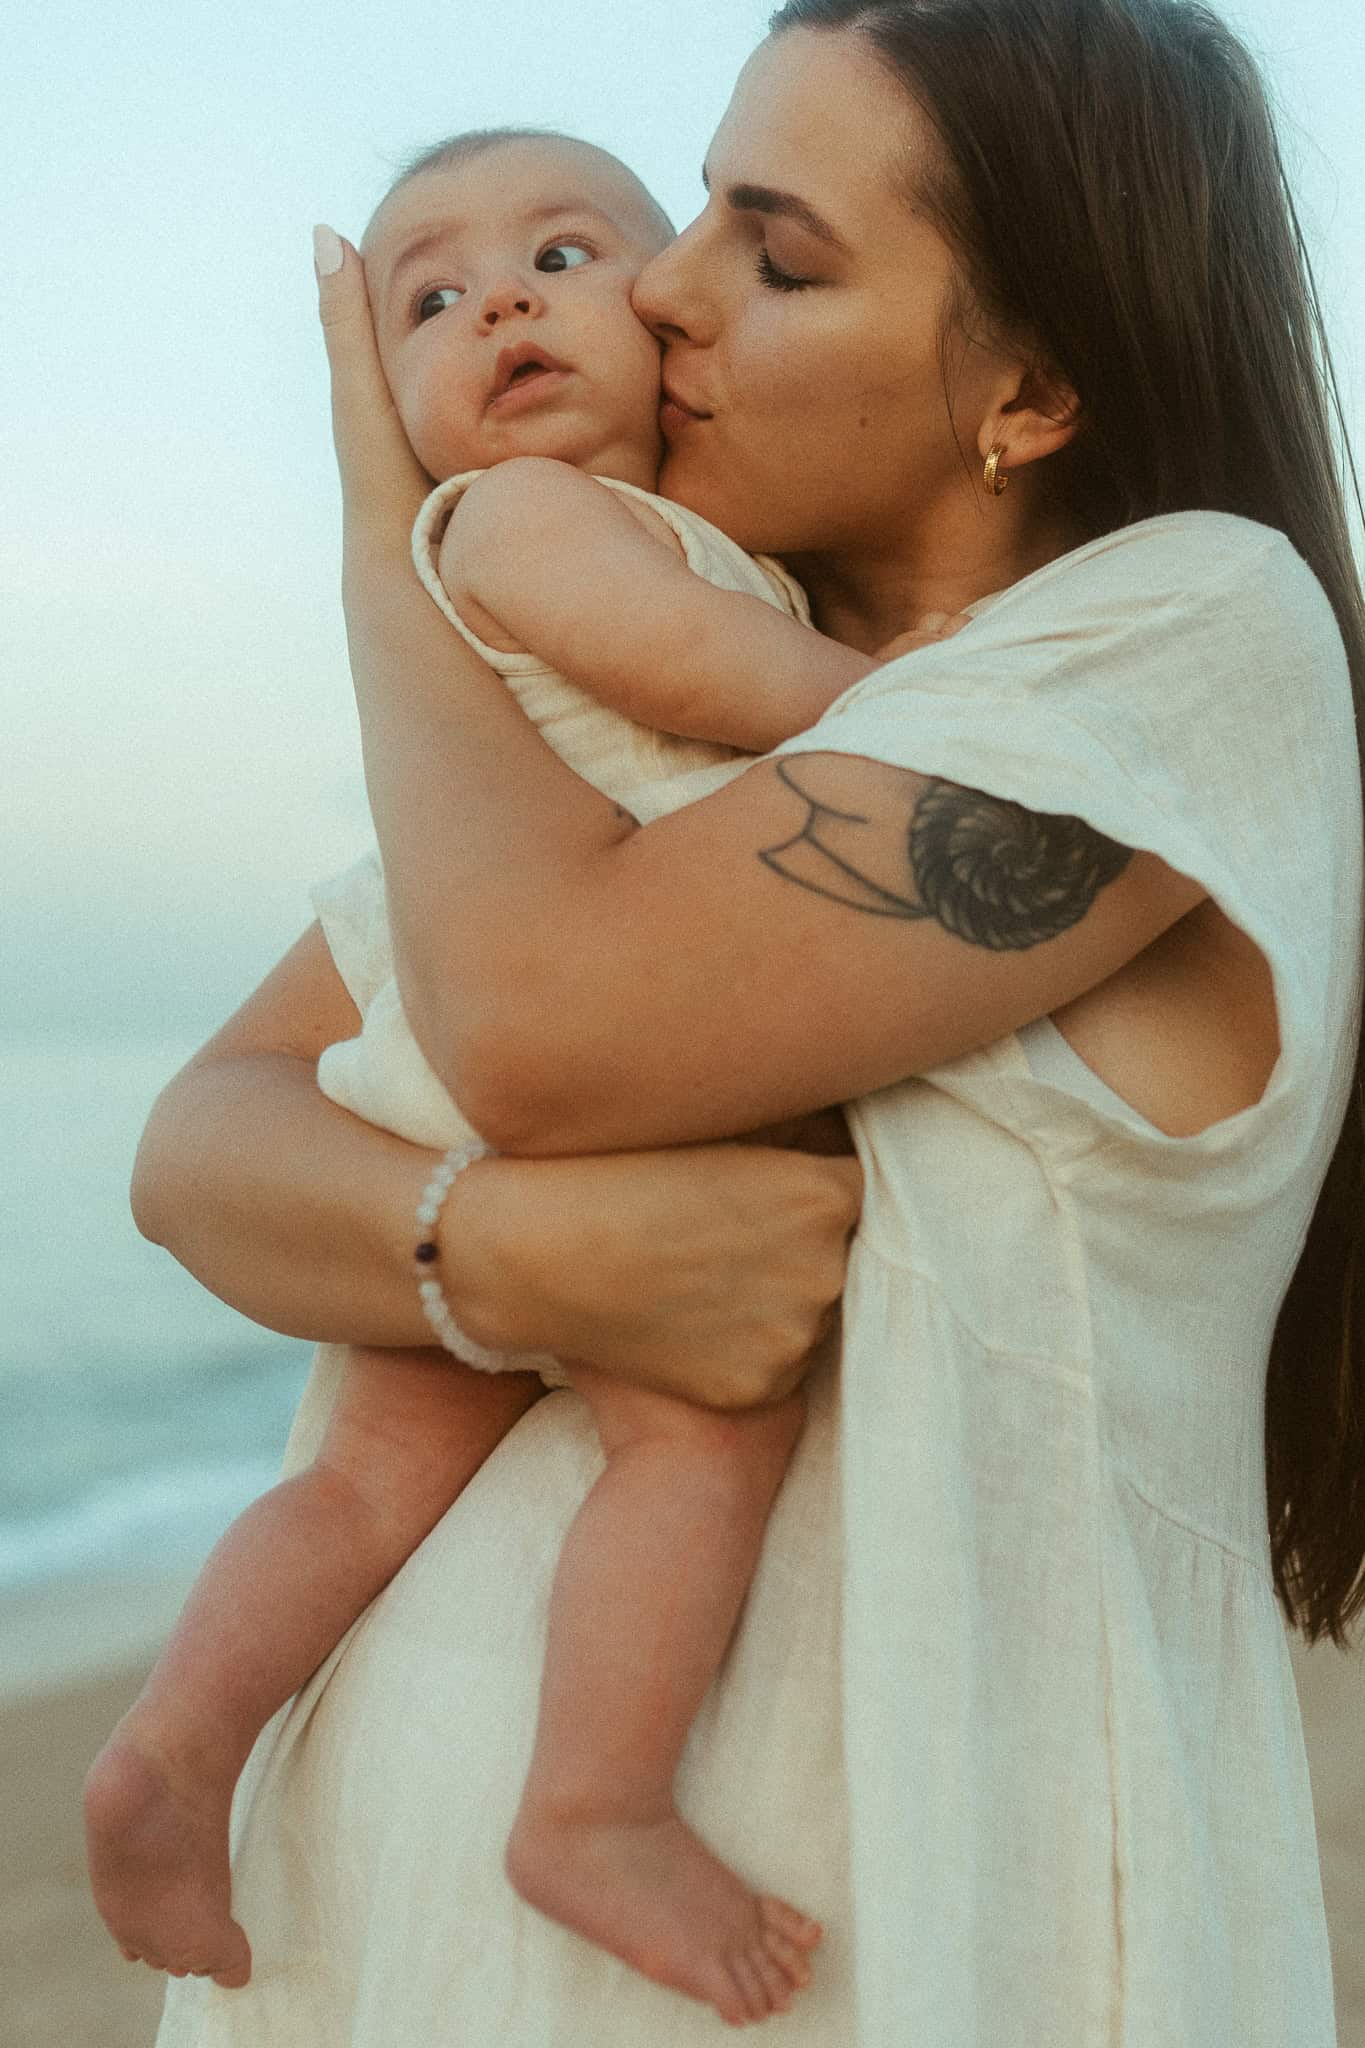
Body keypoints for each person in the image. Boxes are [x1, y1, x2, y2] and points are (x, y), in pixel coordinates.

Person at [146, 0, 1365, 2041]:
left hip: (876, 1940)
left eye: (773, 252)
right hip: (384, 1931)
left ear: (1035, 386)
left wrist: (392, 554)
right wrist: (508, 1252)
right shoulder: (623, 718)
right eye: (697, 205)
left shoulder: (1173, 634)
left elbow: (534, 1031)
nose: (660, 289)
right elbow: (197, 1152)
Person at [84, 128, 935, 2026]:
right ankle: (592, 1803)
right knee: (698, 1436)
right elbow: (697, 675)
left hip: (438, 1081)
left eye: (560, 254)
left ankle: (175, 1748)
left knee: (368, 1488)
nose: (504, 306)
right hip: (566, 1056)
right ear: (391, 410)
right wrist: (902, 704)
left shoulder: (677, 542)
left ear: (668, 319)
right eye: (435, 298)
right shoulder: (524, 523)